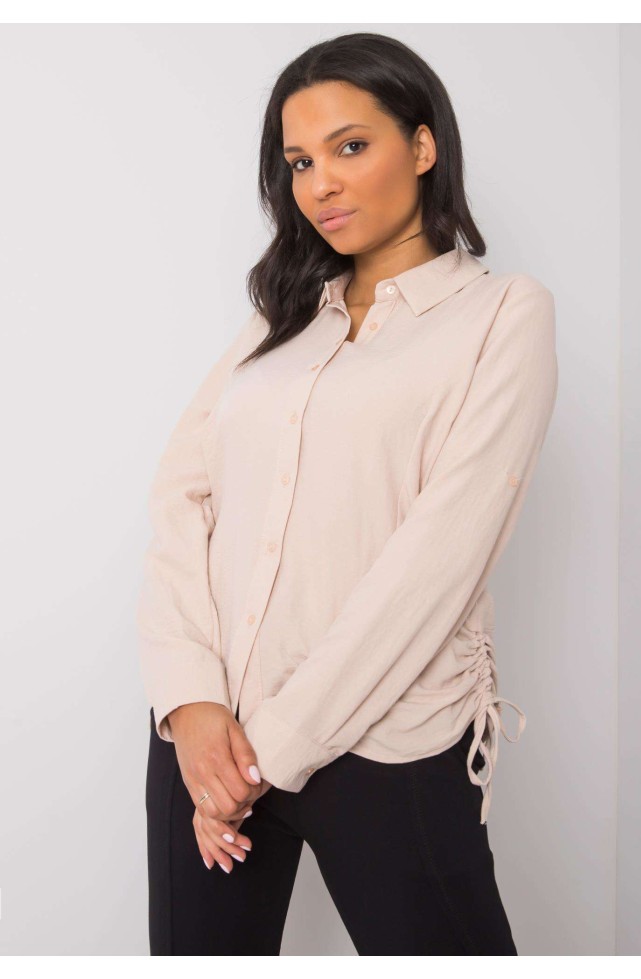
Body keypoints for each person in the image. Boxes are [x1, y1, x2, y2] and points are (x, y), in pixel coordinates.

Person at [137, 31, 558, 956]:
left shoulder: (501, 315)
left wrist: (267, 754)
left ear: (423, 144)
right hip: (207, 742)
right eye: (299, 162)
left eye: (350, 146)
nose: (320, 183)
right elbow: (181, 499)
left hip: (385, 741)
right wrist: (190, 701)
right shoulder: (281, 316)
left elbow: (436, 563)